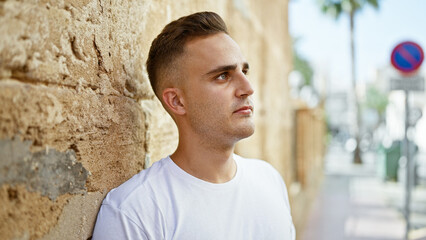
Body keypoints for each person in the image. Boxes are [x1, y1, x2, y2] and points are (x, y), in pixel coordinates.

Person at [92, 11, 295, 240]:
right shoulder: (133, 213)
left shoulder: (270, 180)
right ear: (177, 101)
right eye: (223, 76)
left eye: (244, 71)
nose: (247, 87)